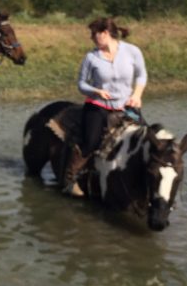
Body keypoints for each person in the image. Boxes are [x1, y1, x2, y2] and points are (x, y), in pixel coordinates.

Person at [63, 17, 148, 196]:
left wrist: (137, 95)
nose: (92, 38)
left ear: (105, 33)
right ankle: (73, 179)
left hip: (126, 106)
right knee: (91, 142)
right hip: (98, 105)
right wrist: (95, 91)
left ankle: (145, 180)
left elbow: (141, 75)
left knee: (146, 137)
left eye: (94, 35)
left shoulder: (132, 51)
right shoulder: (91, 57)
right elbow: (81, 83)